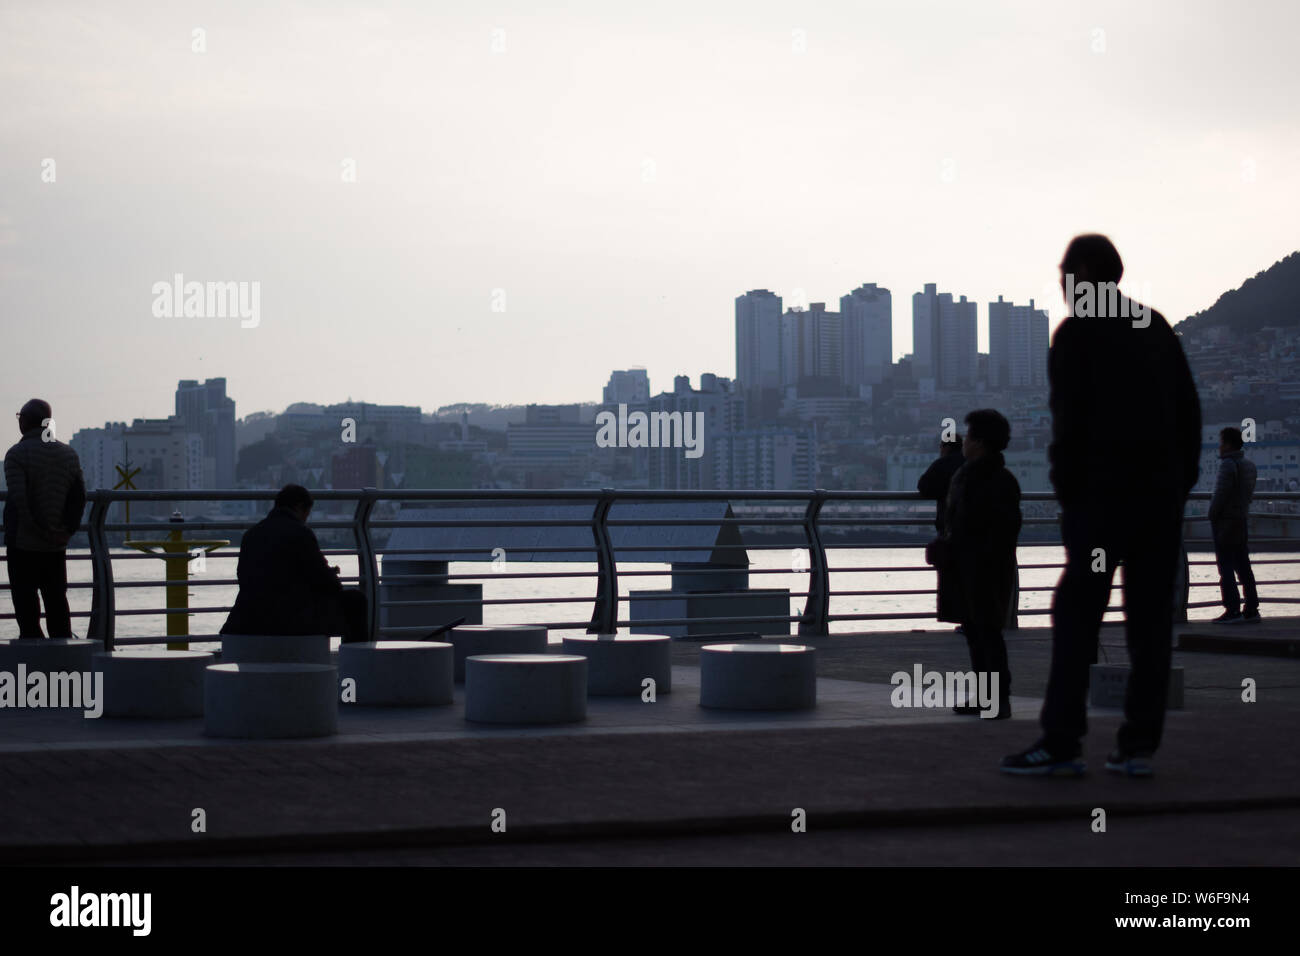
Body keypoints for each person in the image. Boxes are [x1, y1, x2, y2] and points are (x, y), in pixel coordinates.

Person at [1002, 234, 1201, 777]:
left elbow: (1069, 424)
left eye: (1065, 272)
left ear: (1084, 271)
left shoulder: (1076, 333)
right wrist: (1178, 486)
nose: (1062, 284)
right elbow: (1189, 414)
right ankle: (1137, 746)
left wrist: (1072, 498)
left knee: (1076, 619)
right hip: (1158, 503)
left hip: (1101, 502)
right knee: (1151, 622)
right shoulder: (1154, 324)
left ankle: (1062, 743)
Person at [928, 410, 1020, 719]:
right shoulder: (991, 476)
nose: (963, 442)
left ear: (979, 442)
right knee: (978, 633)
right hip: (976, 566)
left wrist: (951, 547)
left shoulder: (983, 479)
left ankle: (996, 699)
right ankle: (987, 697)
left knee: (986, 635)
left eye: (968, 436)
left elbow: (979, 526)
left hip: (980, 567)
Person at [220, 484, 368, 643]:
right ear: (299, 508)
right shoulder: (301, 533)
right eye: (307, 514)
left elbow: (244, 576)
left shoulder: (251, 534)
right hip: (290, 620)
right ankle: (356, 664)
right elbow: (327, 583)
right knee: (356, 601)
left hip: (245, 618)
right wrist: (330, 575)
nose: (306, 520)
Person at [3, 399, 86, 639]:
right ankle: (62, 661)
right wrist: (65, 531)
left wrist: (40, 531)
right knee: (57, 600)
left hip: (23, 543)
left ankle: (33, 662)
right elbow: (78, 497)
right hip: (57, 543)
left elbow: (21, 502)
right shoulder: (68, 454)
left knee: (26, 602)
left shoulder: (16, 454)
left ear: (25, 421)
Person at [1209, 426, 1258, 624]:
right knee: (1243, 565)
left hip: (1225, 522)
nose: (1219, 447)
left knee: (1226, 567)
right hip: (1241, 520)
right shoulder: (1249, 465)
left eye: (1221, 443)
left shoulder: (1227, 465)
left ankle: (1232, 609)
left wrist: (1212, 514)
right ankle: (1251, 608)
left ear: (1228, 444)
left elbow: (1220, 494)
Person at [917, 434, 964, 535]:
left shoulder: (940, 464)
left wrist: (940, 492)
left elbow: (923, 486)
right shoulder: (970, 463)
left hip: (947, 522)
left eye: (940, 446)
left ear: (946, 448)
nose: (940, 450)